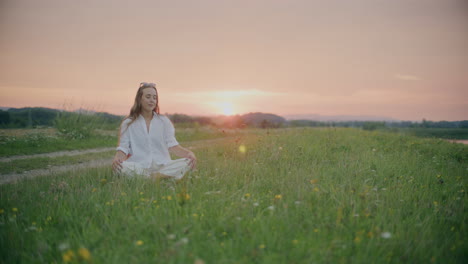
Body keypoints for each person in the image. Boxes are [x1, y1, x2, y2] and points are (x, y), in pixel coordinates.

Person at [112, 82, 197, 180]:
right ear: (139, 99)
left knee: (187, 162)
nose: (152, 100)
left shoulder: (164, 121)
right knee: (121, 167)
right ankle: (159, 178)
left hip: (163, 166)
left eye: (154, 97)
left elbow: (173, 146)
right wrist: (117, 160)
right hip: (139, 167)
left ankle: (151, 178)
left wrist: (189, 154)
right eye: (148, 97)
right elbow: (123, 148)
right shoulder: (128, 123)